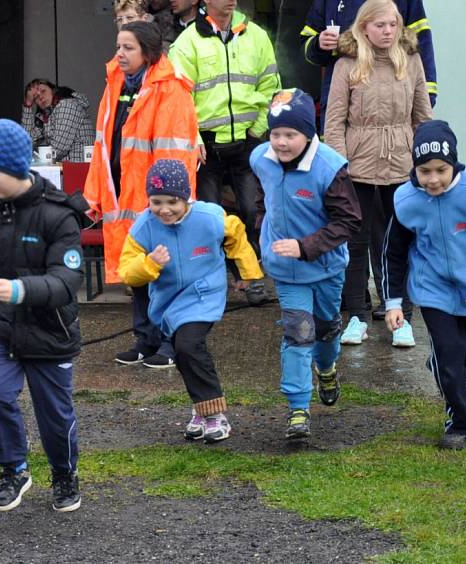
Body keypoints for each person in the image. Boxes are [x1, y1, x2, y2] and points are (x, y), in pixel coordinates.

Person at [0, 119, 84, 513]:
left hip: (51, 330)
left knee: (54, 415)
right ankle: (13, 469)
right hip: (0, 328)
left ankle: (64, 474)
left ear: (16, 168)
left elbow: (67, 281)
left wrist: (21, 290)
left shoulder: (59, 215)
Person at [382, 120, 466, 450]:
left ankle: (444, 367)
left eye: (441, 169)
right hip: (433, 289)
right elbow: (392, 253)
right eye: (425, 171)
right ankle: (463, 422)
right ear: (415, 168)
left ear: (454, 164)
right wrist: (394, 302)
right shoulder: (405, 200)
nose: (433, 179)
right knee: (451, 356)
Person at [119, 159, 263, 442]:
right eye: (156, 202)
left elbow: (235, 234)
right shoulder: (143, 227)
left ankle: (215, 414)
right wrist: (149, 263)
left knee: (188, 345)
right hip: (168, 303)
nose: (164, 210)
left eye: (172, 201)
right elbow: (127, 272)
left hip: (204, 293)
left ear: (186, 198)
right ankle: (201, 410)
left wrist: (247, 273)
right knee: (185, 355)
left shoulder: (209, 217)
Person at [84, 21, 198, 369]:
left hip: (158, 200)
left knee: (165, 273)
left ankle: (169, 341)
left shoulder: (170, 89)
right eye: (118, 46)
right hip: (125, 196)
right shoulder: (115, 85)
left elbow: (174, 152)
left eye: (128, 47)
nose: (119, 54)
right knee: (138, 272)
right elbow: (103, 146)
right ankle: (145, 339)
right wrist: (94, 196)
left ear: (148, 53)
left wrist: (169, 202)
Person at [251, 90, 361, 439]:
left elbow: (349, 222)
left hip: (326, 267)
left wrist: (305, 246)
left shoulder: (329, 169)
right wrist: (262, 229)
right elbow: (262, 195)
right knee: (298, 332)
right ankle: (298, 408)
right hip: (285, 270)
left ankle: (327, 368)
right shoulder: (260, 158)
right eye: (275, 134)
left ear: (309, 134)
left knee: (326, 330)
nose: (281, 143)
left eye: (290, 135)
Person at [324, 0, 432, 348]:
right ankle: (356, 315)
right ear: (364, 27)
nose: (387, 32)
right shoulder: (347, 63)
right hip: (358, 165)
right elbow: (334, 120)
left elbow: (423, 117)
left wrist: (423, 164)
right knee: (356, 242)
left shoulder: (411, 60)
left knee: (399, 242)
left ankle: (400, 316)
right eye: (380, 25)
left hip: (401, 164)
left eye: (392, 25)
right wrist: (340, 168)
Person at [169, 0, 280, 308]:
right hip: (206, 145)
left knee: (249, 212)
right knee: (209, 217)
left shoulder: (256, 36)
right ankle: (224, 278)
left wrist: (258, 129)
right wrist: (192, 137)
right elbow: (179, 97)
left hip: (246, 140)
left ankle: (247, 275)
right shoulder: (187, 41)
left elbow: (271, 83)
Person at [300, 0, 437, 135]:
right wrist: (318, 44)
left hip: (394, 100)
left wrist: (426, 96)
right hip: (341, 102)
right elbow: (306, 44)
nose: (388, 31)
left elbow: (421, 41)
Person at [21, 78, 94, 162]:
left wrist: (36, 158)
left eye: (43, 91)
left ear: (53, 90)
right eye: (36, 97)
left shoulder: (67, 105)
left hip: (80, 169)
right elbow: (27, 140)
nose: (40, 97)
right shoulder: (47, 114)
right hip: (66, 168)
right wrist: (28, 103)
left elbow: (59, 148)